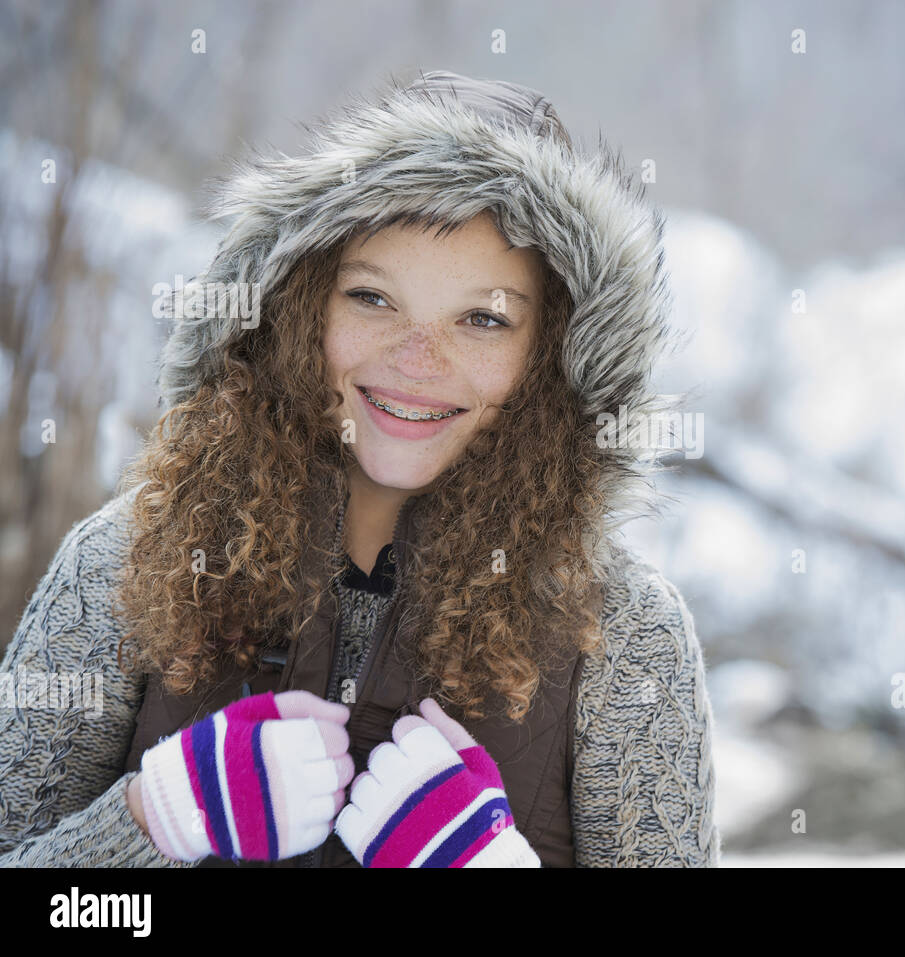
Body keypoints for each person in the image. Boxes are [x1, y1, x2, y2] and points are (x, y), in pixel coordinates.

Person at [0, 70, 719, 867]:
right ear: (299, 304)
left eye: (482, 318)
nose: (416, 360)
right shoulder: (123, 560)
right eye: (374, 298)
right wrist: (149, 820)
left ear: (550, 358)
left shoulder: (622, 632)